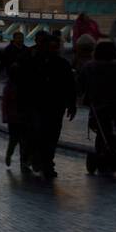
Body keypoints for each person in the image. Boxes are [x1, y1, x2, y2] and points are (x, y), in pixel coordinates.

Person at [25, 31, 78, 178]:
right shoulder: (39, 62)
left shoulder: (37, 62)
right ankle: (45, 162)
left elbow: (70, 85)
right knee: (46, 134)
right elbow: (70, 85)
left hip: (48, 104)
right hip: (46, 104)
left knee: (48, 134)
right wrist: (71, 104)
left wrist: (71, 104)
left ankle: (44, 161)